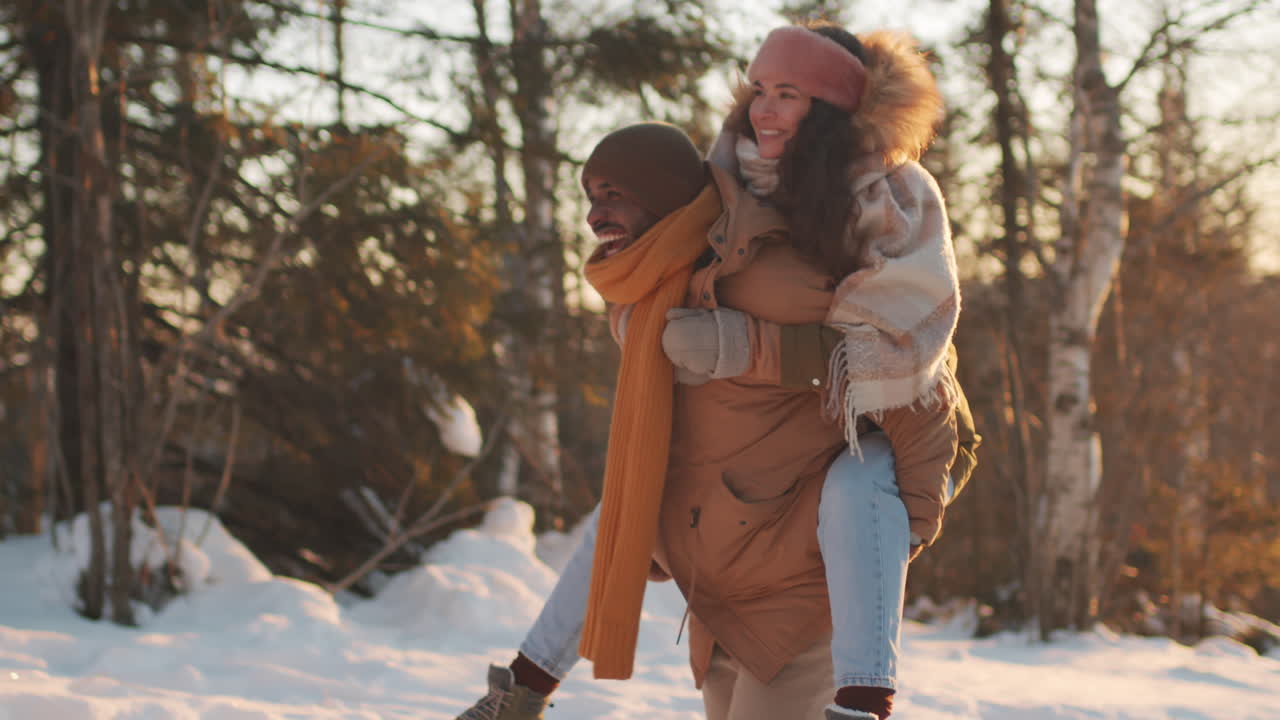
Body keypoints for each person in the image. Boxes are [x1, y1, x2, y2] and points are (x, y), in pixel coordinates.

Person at [454, 21, 980, 720]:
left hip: (801, 589)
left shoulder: (887, 212)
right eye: (759, 89)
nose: (762, 108)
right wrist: (645, 320)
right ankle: (524, 686)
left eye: (788, 94)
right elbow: (651, 307)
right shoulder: (722, 202)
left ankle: (864, 703)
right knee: (633, 481)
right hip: (723, 587)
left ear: (834, 108)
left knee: (858, 475)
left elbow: (907, 367)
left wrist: (745, 347)